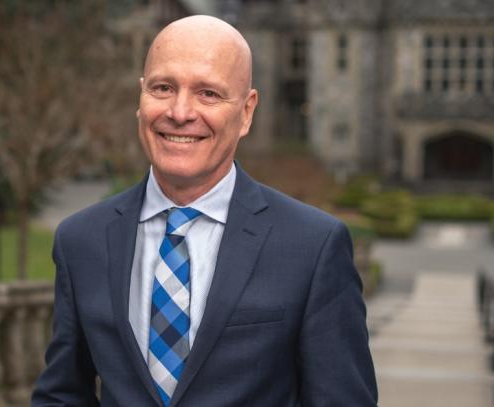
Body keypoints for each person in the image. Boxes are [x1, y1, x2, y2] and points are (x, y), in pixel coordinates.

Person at [32, 15, 377, 406]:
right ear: (141, 97)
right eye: (163, 88)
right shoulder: (81, 241)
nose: (180, 112)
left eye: (208, 94)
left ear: (246, 112)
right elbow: (62, 394)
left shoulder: (312, 246)